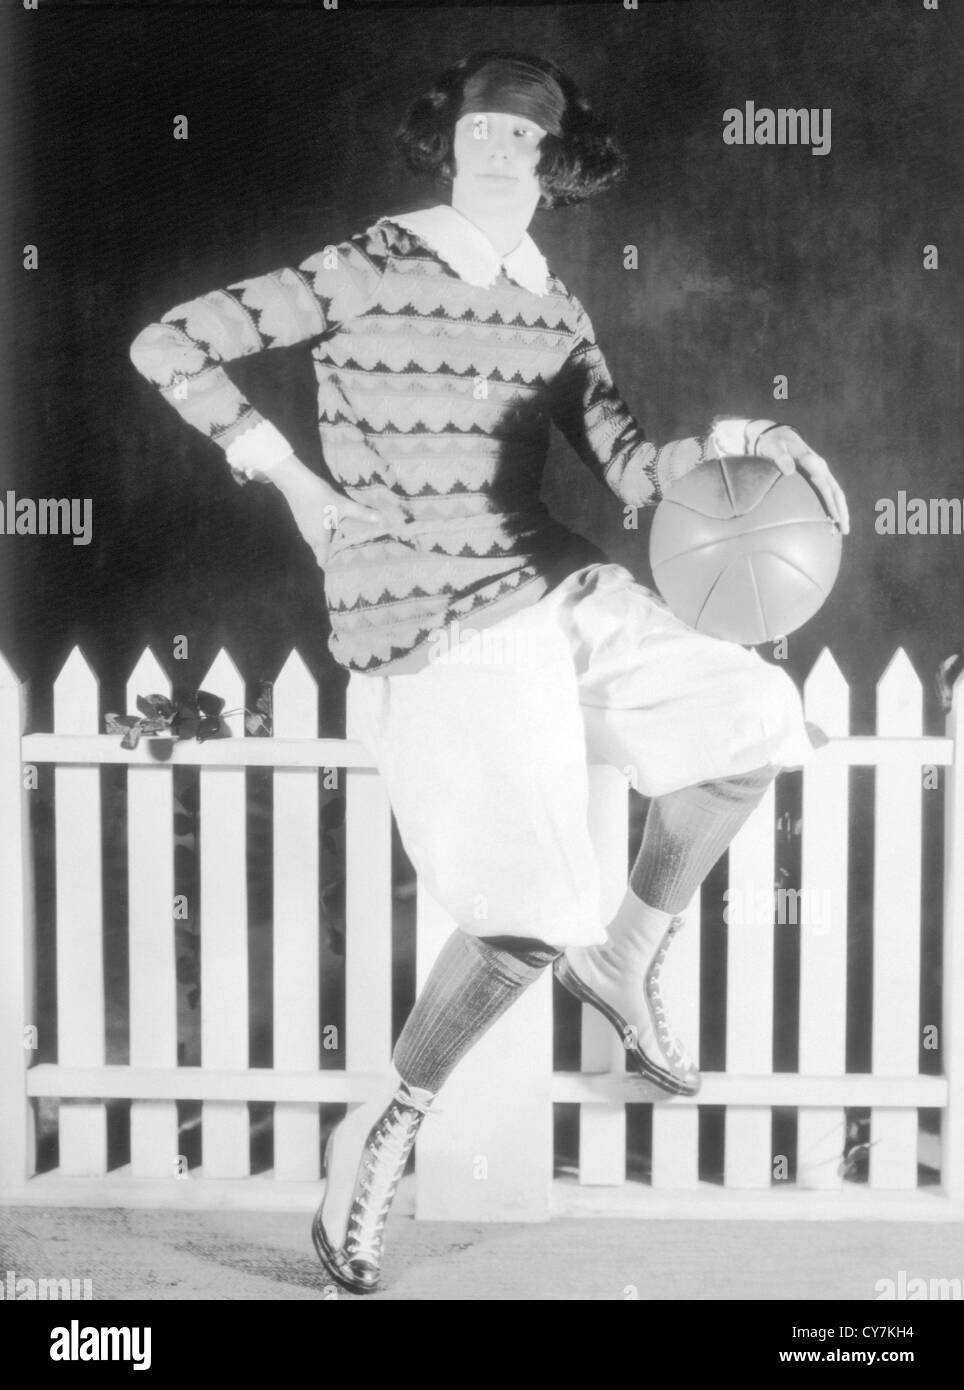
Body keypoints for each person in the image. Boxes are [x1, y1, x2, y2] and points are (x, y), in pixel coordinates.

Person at [129, 49, 849, 1295]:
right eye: (475, 130)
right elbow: (170, 342)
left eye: (520, 136)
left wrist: (735, 440)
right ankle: (387, 1127)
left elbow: (629, 468)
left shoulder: (552, 303)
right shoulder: (369, 262)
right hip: (431, 610)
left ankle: (625, 955)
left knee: (753, 716)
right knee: (524, 914)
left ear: (556, 164)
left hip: (552, 583)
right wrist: (295, 482)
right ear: (446, 142)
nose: (494, 148)